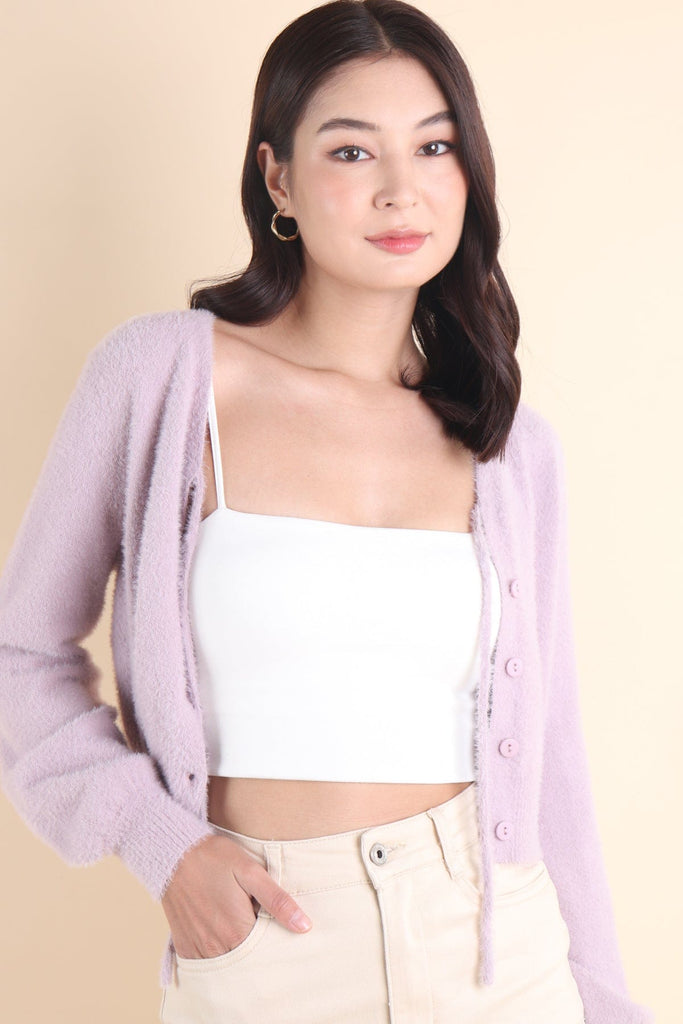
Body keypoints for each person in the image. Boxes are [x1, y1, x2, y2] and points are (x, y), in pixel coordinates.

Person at [0, 2, 654, 1022]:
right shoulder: (164, 380)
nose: (400, 189)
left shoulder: (507, 444)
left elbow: (552, 762)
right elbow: (20, 652)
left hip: (496, 950)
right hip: (268, 945)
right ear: (277, 180)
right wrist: (160, 843)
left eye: (434, 146)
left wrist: (603, 1001)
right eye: (351, 151)